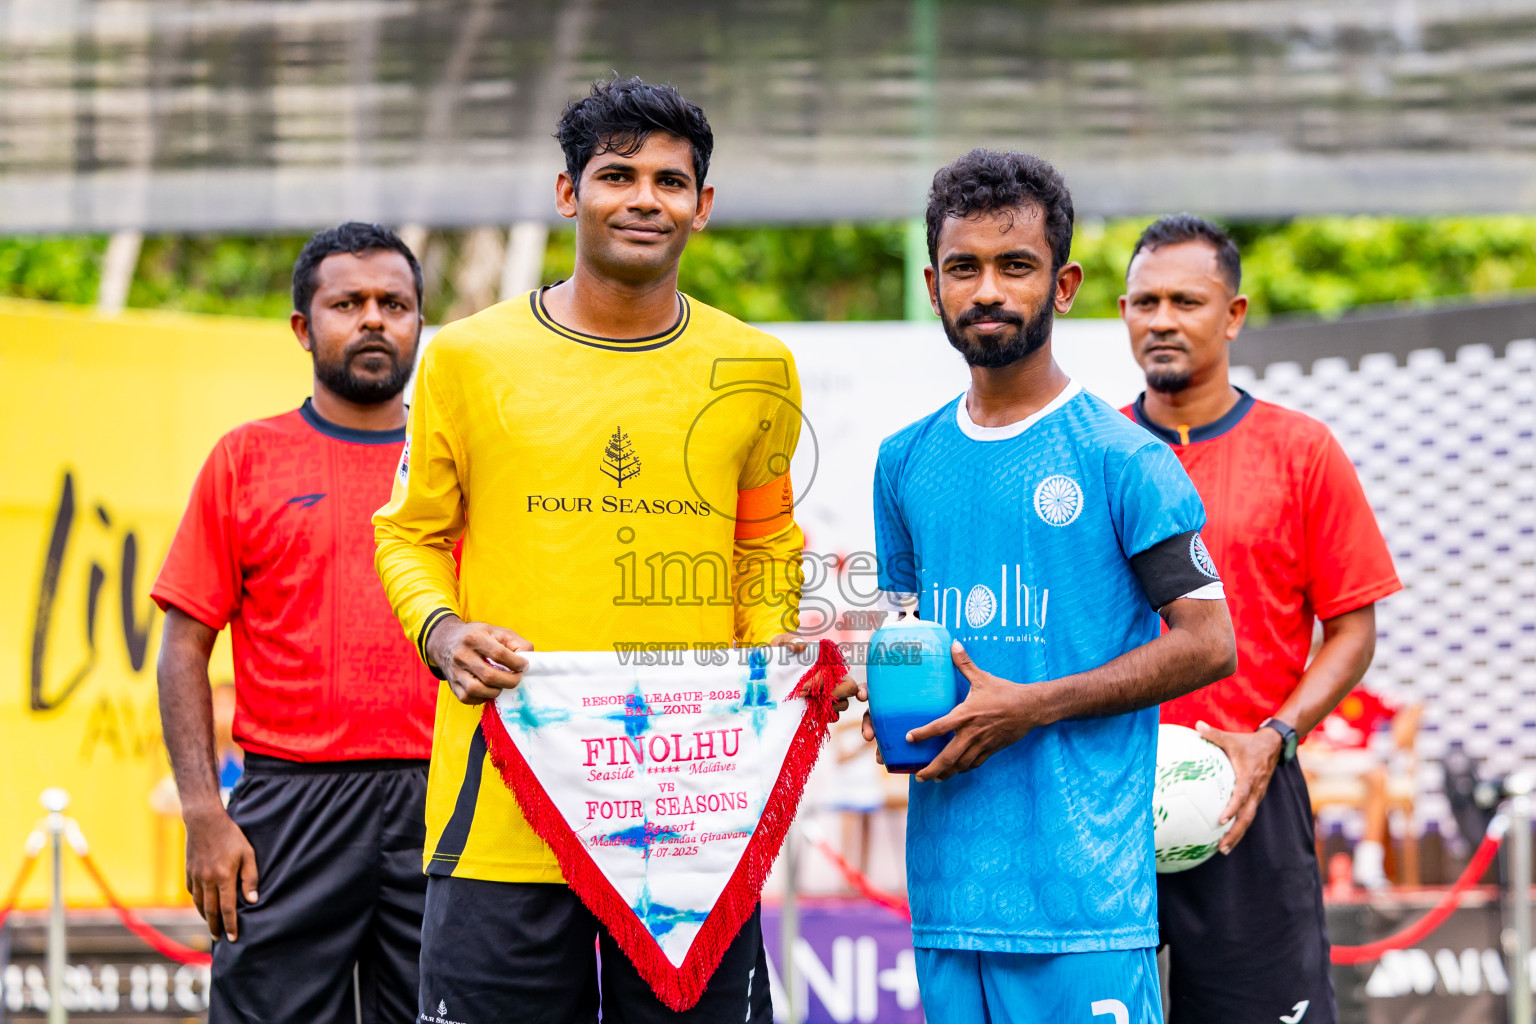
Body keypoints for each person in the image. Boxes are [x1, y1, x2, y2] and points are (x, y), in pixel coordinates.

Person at [373, 77, 855, 1023]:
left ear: (702, 207)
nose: (644, 198)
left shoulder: (756, 367)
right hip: (504, 813)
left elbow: (764, 543)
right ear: (568, 194)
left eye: (671, 181)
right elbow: (410, 534)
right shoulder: (468, 358)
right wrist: (441, 630)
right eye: (616, 174)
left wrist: (770, 664)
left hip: (692, 817)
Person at [864, 150, 1237, 1023]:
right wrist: (860, 682)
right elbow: (908, 639)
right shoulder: (904, 461)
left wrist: (1030, 705)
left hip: (1085, 906)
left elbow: (1209, 642)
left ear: (1062, 285)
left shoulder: (1124, 459)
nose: (987, 289)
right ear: (933, 284)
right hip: (949, 897)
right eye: (965, 268)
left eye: (1015, 266)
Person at [1119, 214, 1402, 1022]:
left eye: (1186, 300)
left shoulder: (1301, 449)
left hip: (1252, 791)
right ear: (1121, 311)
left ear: (1233, 314)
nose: (1162, 319)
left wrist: (1274, 735)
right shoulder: (1094, 450)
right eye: (1145, 302)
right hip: (1107, 792)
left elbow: (1352, 629)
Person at [152, 223, 435, 1023]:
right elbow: (182, 647)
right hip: (288, 805)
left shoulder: (455, 461)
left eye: (395, 303)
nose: (374, 319)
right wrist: (206, 813)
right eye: (348, 303)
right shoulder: (246, 458)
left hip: (445, 799)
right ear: (304, 329)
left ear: (420, 323)